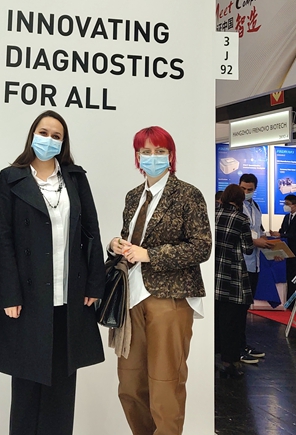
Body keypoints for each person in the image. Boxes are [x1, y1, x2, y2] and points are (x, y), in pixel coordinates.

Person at [0, 110, 106, 434]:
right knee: (26, 388)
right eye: (43, 132)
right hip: (27, 298)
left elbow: (91, 231)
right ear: (32, 135)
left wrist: (95, 283)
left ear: (63, 143)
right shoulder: (11, 177)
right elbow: (2, 237)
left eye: (56, 136)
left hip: (69, 297)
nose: (49, 140)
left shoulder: (75, 178)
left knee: (62, 392)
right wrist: (9, 293)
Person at [108, 126, 211, 435]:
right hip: (131, 298)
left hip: (171, 298)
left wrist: (151, 255)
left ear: (170, 155)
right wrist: (116, 244)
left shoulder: (188, 194)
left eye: (159, 151)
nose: (152, 157)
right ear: (137, 156)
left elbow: (201, 247)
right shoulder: (133, 196)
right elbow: (132, 238)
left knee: (165, 385)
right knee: (129, 384)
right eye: (146, 152)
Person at [215, 184, 254, 379]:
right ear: (240, 200)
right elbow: (248, 248)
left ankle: (213, 357)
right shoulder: (241, 219)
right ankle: (229, 362)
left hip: (214, 274)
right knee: (231, 322)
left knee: (216, 319)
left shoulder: (213, 215)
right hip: (233, 276)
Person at [238, 173, 268, 363]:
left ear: (255, 189)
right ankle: (237, 348)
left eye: (249, 189)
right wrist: (255, 241)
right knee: (238, 310)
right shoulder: (235, 206)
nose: (246, 192)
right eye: (243, 188)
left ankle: (243, 344)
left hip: (253, 263)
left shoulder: (255, 206)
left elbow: (259, 230)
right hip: (240, 263)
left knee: (246, 308)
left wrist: (269, 245)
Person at [277, 194, 296, 306]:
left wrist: (281, 234)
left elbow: (293, 235)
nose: (285, 206)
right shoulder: (286, 217)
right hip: (287, 252)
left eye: (287, 204)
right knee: (289, 277)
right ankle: (289, 303)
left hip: (295, 250)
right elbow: (282, 230)